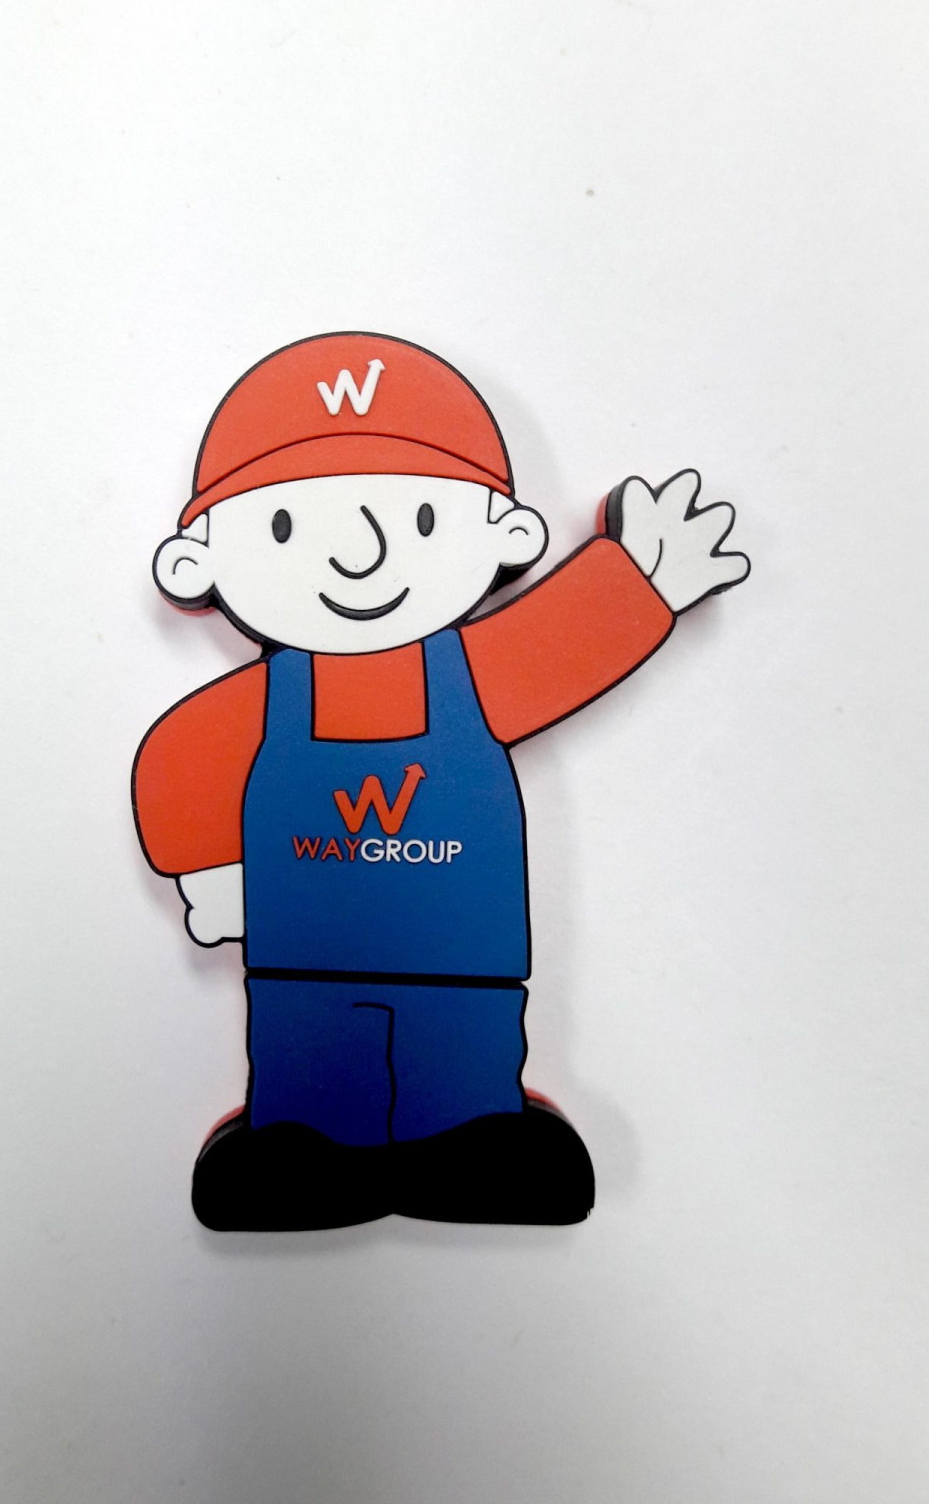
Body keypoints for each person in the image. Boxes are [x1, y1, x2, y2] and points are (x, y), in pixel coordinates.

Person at [132, 332, 749, 1230]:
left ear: (509, 533)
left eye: (422, 519)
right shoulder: (263, 703)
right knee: (311, 1070)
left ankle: (468, 1137)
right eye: (285, 527)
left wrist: (642, 580)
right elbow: (182, 758)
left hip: (462, 958)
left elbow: (562, 645)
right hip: (307, 956)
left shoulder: (478, 673)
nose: (360, 555)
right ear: (197, 563)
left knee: (462, 1061)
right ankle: (306, 1146)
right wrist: (211, 870)